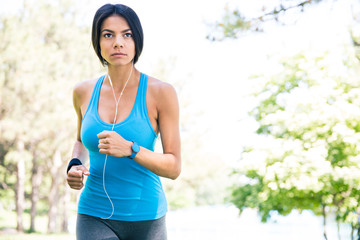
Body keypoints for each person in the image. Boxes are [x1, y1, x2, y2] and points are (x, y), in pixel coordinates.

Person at [66, 3, 181, 240]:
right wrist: (75, 164)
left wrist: (131, 149)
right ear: (98, 42)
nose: (118, 42)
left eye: (126, 34)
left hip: (146, 218)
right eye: (108, 35)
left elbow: (174, 167)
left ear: (136, 40)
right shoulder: (82, 92)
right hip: (93, 215)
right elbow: (80, 140)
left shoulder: (161, 93)